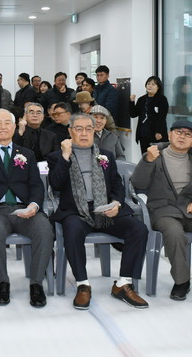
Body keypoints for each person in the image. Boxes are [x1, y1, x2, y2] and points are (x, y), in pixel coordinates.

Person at [47, 113, 149, 310]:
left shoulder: (106, 155)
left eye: (88, 129)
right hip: (76, 211)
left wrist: (116, 204)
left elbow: (117, 185)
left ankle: (123, 283)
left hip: (104, 209)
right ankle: (82, 284)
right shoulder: (56, 157)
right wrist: (65, 156)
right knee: (72, 230)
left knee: (138, 229)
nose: (84, 133)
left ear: (95, 131)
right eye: (79, 129)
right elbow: (56, 185)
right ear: (70, 131)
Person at [131, 120, 192, 309]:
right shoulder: (154, 155)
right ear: (169, 135)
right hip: (163, 210)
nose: (182, 136)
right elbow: (138, 184)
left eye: (188, 134)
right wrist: (147, 161)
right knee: (174, 234)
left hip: (191, 209)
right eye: (178, 132)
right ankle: (182, 281)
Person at [0, 109, 53, 308]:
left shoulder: (26, 154)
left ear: (14, 127)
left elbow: (36, 185)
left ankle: (36, 283)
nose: (3, 127)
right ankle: (2, 281)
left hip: (24, 209)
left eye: (7, 123)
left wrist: (34, 205)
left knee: (44, 228)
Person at [129, 76, 170, 155]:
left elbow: (162, 116)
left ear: (158, 87)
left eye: (153, 84)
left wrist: (158, 131)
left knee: (157, 157)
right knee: (145, 156)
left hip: (156, 135)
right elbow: (133, 114)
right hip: (143, 134)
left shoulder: (162, 99)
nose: (150, 86)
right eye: (148, 84)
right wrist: (131, 102)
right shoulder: (142, 99)